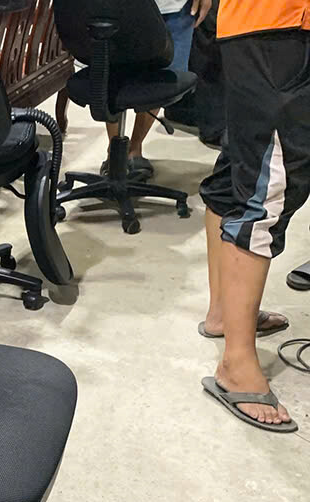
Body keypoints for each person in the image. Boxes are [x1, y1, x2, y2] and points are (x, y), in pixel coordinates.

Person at [199, 0, 310, 433]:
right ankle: (236, 364)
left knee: (242, 169)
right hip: (278, 24)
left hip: (265, 26)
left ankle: (223, 315)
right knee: (269, 184)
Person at [103, 0, 212, 180]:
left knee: (165, 80)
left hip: (176, 8)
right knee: (112, 75)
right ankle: (114, 150)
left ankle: (135, 148)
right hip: (121, 8)